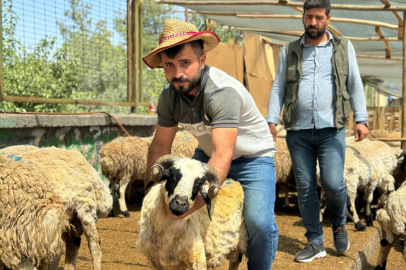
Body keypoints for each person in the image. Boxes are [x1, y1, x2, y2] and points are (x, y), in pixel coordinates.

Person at [142, 19, 278, 269]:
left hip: (252, 159)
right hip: (207, 154)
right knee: (176, 214)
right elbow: (160, 148)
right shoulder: (169, 98)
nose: (177, 73)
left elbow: (222, 155)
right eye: (169, 65)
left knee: (259, 223)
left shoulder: (221, 93)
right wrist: (154, 193)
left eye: (185, 63)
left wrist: (185, 206)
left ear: (202, 61)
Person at [267, 0, 369, 263]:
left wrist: (361, 119)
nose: (313, 22)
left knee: (334, 184)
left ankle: (338, 223)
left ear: (328, 18)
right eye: (309, 17)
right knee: (305, 187)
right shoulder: (288, 51)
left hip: (331, 129)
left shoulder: (343, 48)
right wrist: (270, 120)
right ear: (303, 17)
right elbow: (278, 87)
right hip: (297, 131)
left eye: (319, 17)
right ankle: (314, 241)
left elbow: (355, 85)